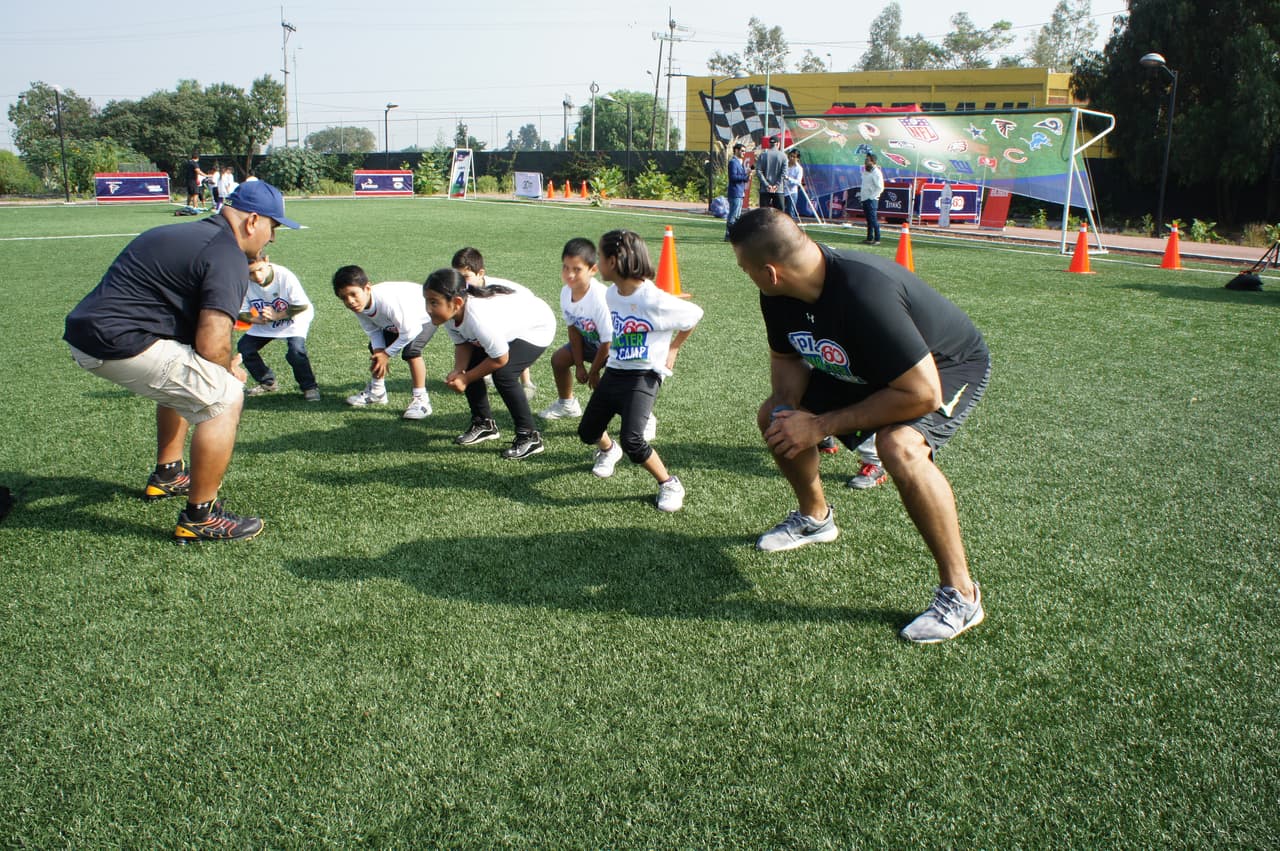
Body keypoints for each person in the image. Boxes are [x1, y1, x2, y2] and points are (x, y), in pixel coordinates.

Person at [728, 208, 990, 643]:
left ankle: (962, 595)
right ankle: (815, 519)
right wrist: (790, 412)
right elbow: (787, 359)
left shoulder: (865, 290)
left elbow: (922, 392)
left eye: (745, 269)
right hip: (865, 365)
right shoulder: (777, 293)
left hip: (943, 367)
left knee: (899, 448)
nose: (745, 275)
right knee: (774, 416)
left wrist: (822, 425)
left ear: (770, 272)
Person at [63, 180, 300, 543]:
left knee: (187, 372)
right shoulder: (227, 255)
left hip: (88, 334)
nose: (273, 238)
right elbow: (212, 341)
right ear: (253, 221)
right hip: (119, 342)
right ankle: (200, 516)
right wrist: (227, 369)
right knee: (224, 396)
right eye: (275, 226)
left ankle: (169, 473)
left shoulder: (176, 233)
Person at [578, 229, 702, 512]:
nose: (597, 262)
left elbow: (694, 314)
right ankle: (609, 451)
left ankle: (669, 483)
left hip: (644, 374)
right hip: (615, 370)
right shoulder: (611, 294)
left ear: (614, 260)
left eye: (600, 256)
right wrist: (597, 368)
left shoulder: (652, 299)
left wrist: (673, 348)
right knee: (587, 432)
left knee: (633, 440)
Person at [424, 268, 556, 459]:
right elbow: (463, 343)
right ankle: (484, 425)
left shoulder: (479, 319)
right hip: (507, 326)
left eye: (434, 302)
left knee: (504, 374)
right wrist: (459, 370)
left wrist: (466, 378)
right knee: (471, 364)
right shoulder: (450, 313)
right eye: (427, 301)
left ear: (457, 302)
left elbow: (500, 358)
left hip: (537, 327)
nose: (428, 308)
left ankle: (529, 437)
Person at [332, 266, 436, 420]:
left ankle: (422, 401)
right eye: (344, 298)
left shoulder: (387, 300)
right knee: (375, 350)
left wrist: (386, 354)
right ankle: (377, 391)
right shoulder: (359, 306)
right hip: (399, 323)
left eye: (353, 294)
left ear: (367, 288)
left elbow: (410, 331)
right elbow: (374, 332)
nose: (350, 301)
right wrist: (380, 352)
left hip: (426, 315)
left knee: (411, 351)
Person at [451, 247, 538, 400]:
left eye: (466, 277)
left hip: (523, 318)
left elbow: (524, 316)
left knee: (507, 346)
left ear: (480, 274)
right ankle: (485, 374)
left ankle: (526, 382)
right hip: (497, 322)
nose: (461, 282)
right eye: (458, 276)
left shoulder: (497, 291)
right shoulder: (466, 292)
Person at [237, 253, 320, 401]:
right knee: (245, 347)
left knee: (296, 351)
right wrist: (257, 319)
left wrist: (277, 315)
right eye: (250, 273)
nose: (257, 276)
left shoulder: (284, 275)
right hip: (266, 321)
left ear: (267, 261)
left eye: (260, 269)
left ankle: (309, 387)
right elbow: (241, 312)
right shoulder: (242, 281)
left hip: (294, 318)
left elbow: (301, 305)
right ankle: (267, 382)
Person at [724, 143, 751, 240]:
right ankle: (728, 235)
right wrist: (745, 177)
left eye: (744, 151)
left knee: (737, 216)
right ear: (736, 150)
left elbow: (742, 178)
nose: (744, 153)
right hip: (735, 192)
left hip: (739, 192)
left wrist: (748, 175)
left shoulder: (740, 162)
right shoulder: (733, 162)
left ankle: (734, 234)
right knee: (733, 215)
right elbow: (733, 177)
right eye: (742, 150)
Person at [755, 136, 788, 212]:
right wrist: (776, 185)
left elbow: (758, 171)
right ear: (778, 144)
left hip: (765, 189)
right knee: (779, 214)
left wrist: (767, 185)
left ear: (769, 144)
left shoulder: (763, 155)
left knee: (763, 213)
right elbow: (784, 173)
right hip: (778, 190)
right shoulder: (783, 156)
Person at [860, 153, 885, 245]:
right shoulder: (866, 172)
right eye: (865, 160)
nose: (866, 162)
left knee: (873, 219)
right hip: (865, 198)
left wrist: (871, 197)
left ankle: (877, 239)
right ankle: (869, 238)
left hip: (871, 199)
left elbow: (880, 187)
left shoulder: (876, 172)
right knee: (869, 220)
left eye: (868, 160)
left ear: (873, 162)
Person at [784, 149, 805, 221]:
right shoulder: (784, 164)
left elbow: (798, 182)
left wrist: (788, 178)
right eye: (790, 156)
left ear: (797, 158)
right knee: (779, 211)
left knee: (790, 212)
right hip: (781, 191)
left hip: (792, 192)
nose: (791, 158)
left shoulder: (799, 169)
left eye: (793, 157)